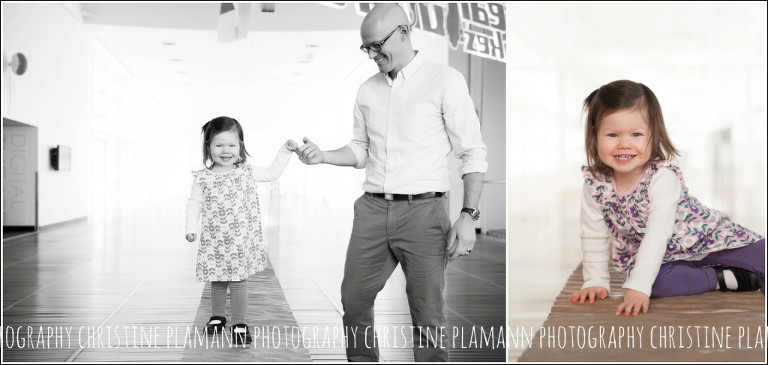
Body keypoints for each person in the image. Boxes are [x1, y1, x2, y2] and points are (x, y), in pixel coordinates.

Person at [295, 4, 487, 362]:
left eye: (376, 45)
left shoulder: (445, 80)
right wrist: (323, 155)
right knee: (354, 301)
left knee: (427, 312)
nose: (371, 54)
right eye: (365, 47)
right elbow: (360, 149)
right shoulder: (367, 90)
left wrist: (468, 215)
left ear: (404, 31)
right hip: (371, 209)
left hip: (424, 212)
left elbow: (472, 151)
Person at [569, 79, 765, 317]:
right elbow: (593, 234)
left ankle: (723, 264)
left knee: (761, 255)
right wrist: (595, 280)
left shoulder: (661, 177)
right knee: (651, 284)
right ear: (594, 135)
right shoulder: (595, 184)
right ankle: (719, 277)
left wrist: (639, 286)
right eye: (612, 134)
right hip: (659, 258)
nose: (624, 144)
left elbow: (657, 233)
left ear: (655, 135)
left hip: (706, 240)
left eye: (636, 134)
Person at [185, 116, 297, 345]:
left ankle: (238, 322)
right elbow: (194, 203)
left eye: (232, 145)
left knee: (238, 282)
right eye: (218, 145)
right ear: (208, 147)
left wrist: (285, 151)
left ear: (241, 147)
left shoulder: (246, 172)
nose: (225, 151)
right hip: (214, 240)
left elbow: (272, 173)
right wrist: (191, 226)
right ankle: (217, 317)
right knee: (216, 280)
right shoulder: (203, 178)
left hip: (241, 241)